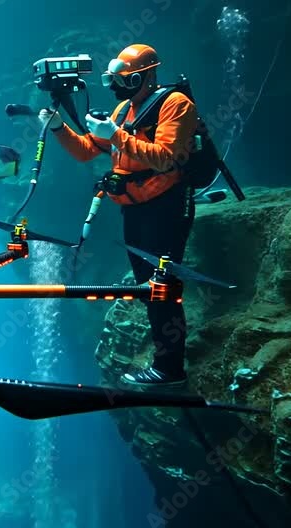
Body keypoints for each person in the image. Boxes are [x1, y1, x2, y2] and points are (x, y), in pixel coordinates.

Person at [41, 44, 198, 385]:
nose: (115, 88)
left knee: (163, 286)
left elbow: (165, 158)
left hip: (166, 206)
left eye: (123, 81)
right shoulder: (125, 108)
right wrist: (58, 128)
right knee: (147, 285)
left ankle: (170, 368)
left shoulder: (175, 105)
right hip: (134, 210)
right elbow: (86, 152)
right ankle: (165, 357)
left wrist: (115, 135)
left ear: (145, 77)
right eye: (114, 81)